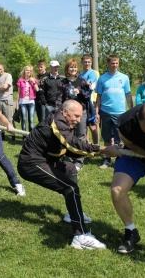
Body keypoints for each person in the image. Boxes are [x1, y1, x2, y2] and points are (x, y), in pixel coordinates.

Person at [17, 100, 121, 249]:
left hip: (46, 160)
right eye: (77, 116)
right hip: (30, 164)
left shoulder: (63, 122)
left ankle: (72, 214)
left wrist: (99, 150)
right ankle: (80, 236)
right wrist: (103, 149)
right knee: (70, 188)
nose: (79, 121)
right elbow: (73, 144)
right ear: (65, 112)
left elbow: (71, 149)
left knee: (71, 169)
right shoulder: (57, 123)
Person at [111, 102, 145, 253]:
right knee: (117, 191)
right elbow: (129, 144)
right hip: (137, 154)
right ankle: (131, 232)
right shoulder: (126, 122)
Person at [56, 58, 94, 171]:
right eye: (71, 67)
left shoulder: (81, 81)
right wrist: (58, 113)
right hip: (67, 114)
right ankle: (68, 159)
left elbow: (87, 96)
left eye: (75, 67)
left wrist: (81, 92)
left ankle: (79, 161)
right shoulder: (62, 83)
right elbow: (58, 100)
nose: (73, 69)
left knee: (81, 136)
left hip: (81, 113)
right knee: (68, 136)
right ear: (67, 68)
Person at [96, 54, 133, 169]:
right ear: (108, 64)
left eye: (116, 63)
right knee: (107, 138)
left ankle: (120, 159)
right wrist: (97, 112)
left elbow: (128, 94)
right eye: (112, 63)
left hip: (120, 113)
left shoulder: (124, 78)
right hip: (105, 112)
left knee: (120, 138)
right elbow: (99, 97)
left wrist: (131, 109)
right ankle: (107, 159)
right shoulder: (102, 78)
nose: (115, 65)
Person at [0, 63, 15, 144]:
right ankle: (2, 135)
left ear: (3, 68)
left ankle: (13, 135)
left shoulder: (8, 75)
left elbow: (5, 86)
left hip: (7, 100)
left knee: (9, 118)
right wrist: (1, 88)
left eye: (1, 69)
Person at [78, 54, 99, 144]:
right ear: (82, 62)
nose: (87, 64)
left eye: (89, 62)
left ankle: (96, 146)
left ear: (91, 63)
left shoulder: (93, 73)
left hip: (91, 103)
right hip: (82, 103)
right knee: (83, 126)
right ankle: (87, 146)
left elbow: (88, 85)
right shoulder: (80, 75)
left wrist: (80, 87)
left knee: (93, 126)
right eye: (85, 62)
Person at [16, 65, 39, 138]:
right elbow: (18, 93)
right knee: (24, 119)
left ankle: (31, 136)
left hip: (31, 102)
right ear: (24, 71)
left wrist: (33, 82)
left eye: (29, 70)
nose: (28, 72)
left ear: (31, 72)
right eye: (27, 70)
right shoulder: (20, 80)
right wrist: (17, 103)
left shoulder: (34, 80)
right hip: (22, 102)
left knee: (31, 120)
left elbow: (37, 90)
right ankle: (24, 136)